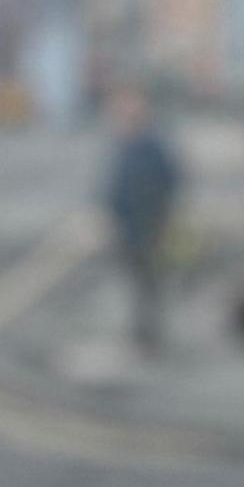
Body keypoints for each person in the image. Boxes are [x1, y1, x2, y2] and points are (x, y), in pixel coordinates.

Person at [100, 85, 182, 356]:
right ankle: (142, 336)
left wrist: (160, 217)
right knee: (138, 284)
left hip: (148, 226)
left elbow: (169, 180)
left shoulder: (150, 145)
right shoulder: (127, 143)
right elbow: (116, 187)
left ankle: (148, 339)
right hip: (129, 227)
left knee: (148, 284)